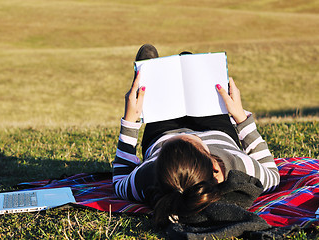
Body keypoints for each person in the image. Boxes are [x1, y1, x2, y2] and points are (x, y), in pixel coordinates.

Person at [112, 44, 280, 227]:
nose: (185, 134)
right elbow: (272, 174)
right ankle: (181, 68)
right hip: (217, 129)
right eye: (193, 141)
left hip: (162, 132)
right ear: (215, 166)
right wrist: (240, 117)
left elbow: (120, 179)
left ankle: (150, 72)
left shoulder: (151, 176)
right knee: (190, 63)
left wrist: (130, 121)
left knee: (173, 76)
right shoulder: (240, 168)